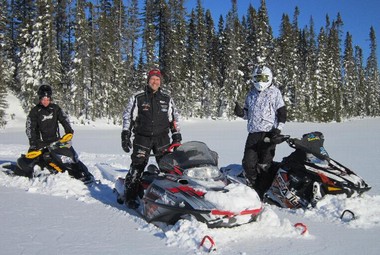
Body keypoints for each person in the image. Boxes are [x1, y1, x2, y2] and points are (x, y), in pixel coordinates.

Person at [121, 68, 182, 208]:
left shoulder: (167, 99)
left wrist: (176, 135)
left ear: (160, 82)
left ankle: (172, 197)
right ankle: (130, 196)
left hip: (162, 139)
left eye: (157, 80)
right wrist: (125, 134)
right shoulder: (138, 97)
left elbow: (174, 119)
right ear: (148, 81)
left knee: (169, 168)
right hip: (142, 138)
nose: (155, 82)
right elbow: (128, 117)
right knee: (137, 166)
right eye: (152, 79)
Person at [13, 84, 93, 183]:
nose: (45, 101)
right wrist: (33, 143)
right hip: (40, 143)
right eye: (43, 99)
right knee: (29, 164)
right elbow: (30, 128)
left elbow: (64, 119)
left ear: (50, 98)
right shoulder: (34, 111)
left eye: (47, 99)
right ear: (40, 98)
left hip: (56, 141)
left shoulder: (55, 109)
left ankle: (79, 171)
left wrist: (69, 131)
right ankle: (31, 178)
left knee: (70, 155)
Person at [234, 65, 287, 199]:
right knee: (248, 163)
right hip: (253, 133)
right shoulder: (251, 93)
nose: (260, 81)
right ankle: (253, 187)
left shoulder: (275, 92)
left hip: (268, 134)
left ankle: (263, 191)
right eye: (257, 78)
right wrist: (241, 113)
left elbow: (282, 112)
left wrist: (278, 129)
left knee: (264, 165)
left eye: (263, 78)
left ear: (269, 78)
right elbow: (248, 114)